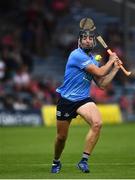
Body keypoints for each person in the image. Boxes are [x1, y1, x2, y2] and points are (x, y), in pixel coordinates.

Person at [51, 18, 122, 173]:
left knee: (97, 123)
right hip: (67, 99)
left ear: (93, 42)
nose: (88, 41)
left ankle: (83, 161)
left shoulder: (92, 60)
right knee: (61, 138)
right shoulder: (76, 55)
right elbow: (100, 72)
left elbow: (102, 84)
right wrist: (110, 61)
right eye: (84, 38)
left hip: (83, 99)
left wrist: (115, 69)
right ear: (79, 41)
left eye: (90, 38)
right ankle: (56, 161)